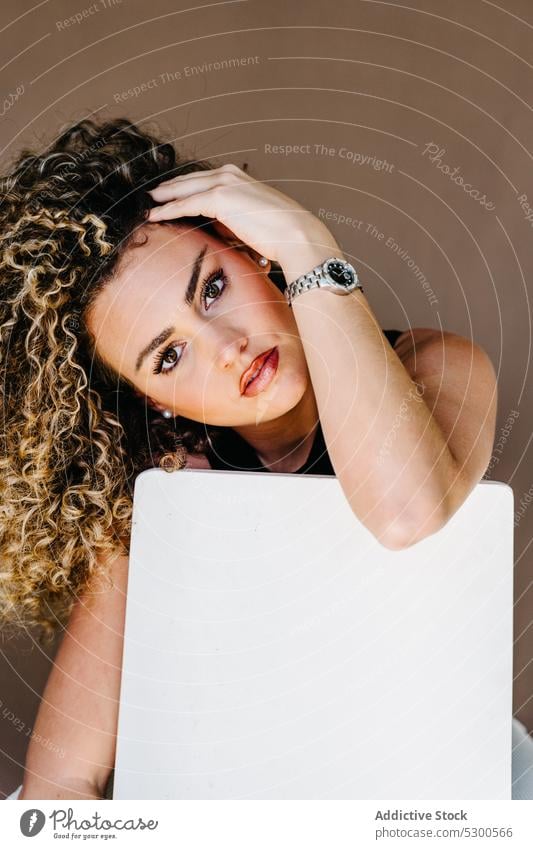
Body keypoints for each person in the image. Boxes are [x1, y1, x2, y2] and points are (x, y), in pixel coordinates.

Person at [0, 116, 516, 801]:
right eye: (170, 354)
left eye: (212, 288)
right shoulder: (169, 487)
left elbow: (404, 510)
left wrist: (308, 247)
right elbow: (60, 783)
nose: (228, 348)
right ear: (154, 399)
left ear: (251, 250)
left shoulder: (432, 367)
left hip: (442, 796)